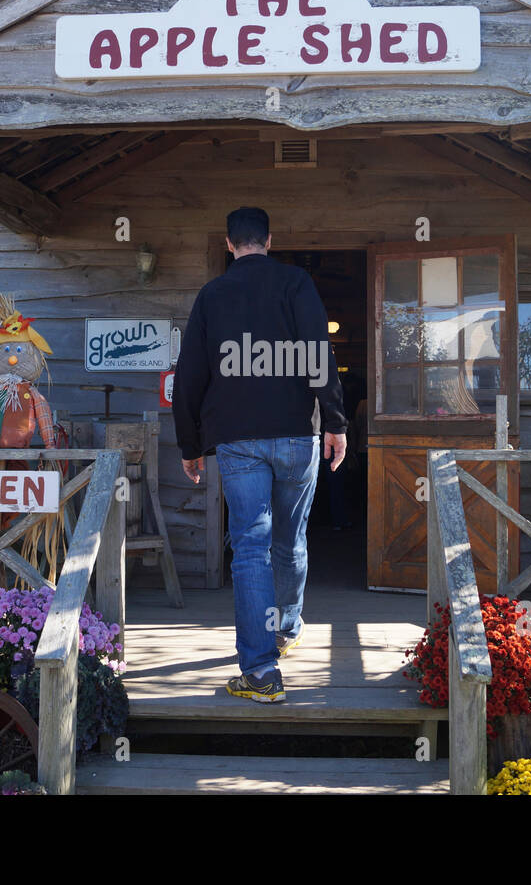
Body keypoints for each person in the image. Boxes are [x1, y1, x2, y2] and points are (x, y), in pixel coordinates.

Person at [172, 207, 348, 703]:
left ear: (229, 245)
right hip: (297, 434)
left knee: (250, 548)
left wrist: (190, 445)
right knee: (290, 539)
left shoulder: (212, 295)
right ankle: (286, 630)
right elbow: (319, 352)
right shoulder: (296, 283)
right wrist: (335, 422)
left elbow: (189, 375)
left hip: (238, 439)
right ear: (270, 240)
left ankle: (261, 674)